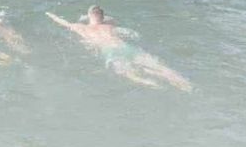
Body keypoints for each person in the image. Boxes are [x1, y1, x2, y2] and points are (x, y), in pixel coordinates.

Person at [47, 6, 192, 91]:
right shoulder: (109, 25)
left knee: (128, 73)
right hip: (125, 47)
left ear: (89, 16)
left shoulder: (82, 28)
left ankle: (150, 83)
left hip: (110, 51)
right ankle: (184, 83)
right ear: (102, 17)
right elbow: (112, 20)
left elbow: (63, 23)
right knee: (158, 66)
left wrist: (50, 15)